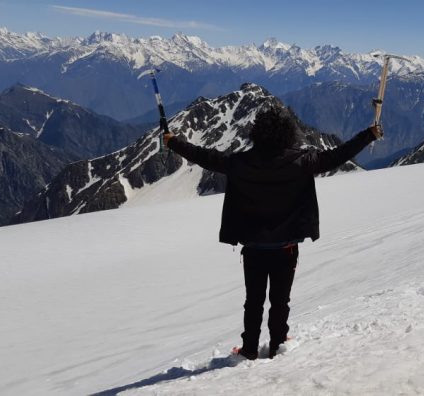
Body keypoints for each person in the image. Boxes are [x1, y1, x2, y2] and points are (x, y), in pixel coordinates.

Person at [163, 107, 383, 360]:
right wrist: (368, 135)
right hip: (286, 246)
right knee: (280, 300)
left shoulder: (240, 163)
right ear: (287, 135)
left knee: (253, 300)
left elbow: (204, 156)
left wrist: (173, 142)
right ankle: (279, 342)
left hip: (254, 245)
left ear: (257, 134)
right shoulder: (302, 162)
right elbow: (339, 155)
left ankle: (249, 349)